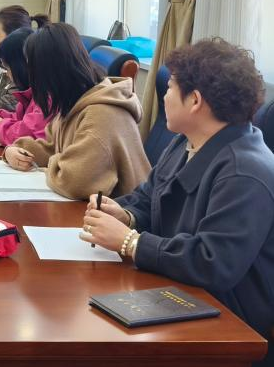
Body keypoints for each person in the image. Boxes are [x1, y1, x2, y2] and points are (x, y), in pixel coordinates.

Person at [82, 39, 274, 364]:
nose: (164, 96)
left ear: (195, 101)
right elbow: (149, 197)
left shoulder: (245, 172)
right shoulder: (185, 142)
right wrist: (126, 216)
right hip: (176, 290)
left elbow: (213, 262)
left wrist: (130, 242)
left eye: (170, 87)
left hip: (225, 321)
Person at [3, 23, 150, 199]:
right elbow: (50, 147)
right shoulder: (73, 100)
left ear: (48, 72)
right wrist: (16, 150)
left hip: (120, 211)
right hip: (90, 209)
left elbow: (73, 182)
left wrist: (52, 163)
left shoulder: (101, 114)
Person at [0, 28, 49, 144]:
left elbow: (27, 133)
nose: (7, 74)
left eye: (8, 68)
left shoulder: (47, 95)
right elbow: (20, 118)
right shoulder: (33, 94)